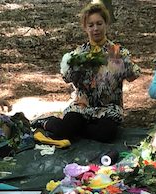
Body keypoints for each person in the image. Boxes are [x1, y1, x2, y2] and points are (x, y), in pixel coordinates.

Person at [36, 2, 140, 145]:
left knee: (106, 133)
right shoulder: (79, 54)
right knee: (63, 131)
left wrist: (121, 64)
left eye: (99, 23)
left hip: (108, 108)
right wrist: (71, 66)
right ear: (85, 28)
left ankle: (78, 131)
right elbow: (66, 78)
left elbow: (133, 76)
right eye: (91, 25)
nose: (95, 29)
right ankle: (47, 122)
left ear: (106, 24)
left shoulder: (117, 52)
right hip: (82, 106)